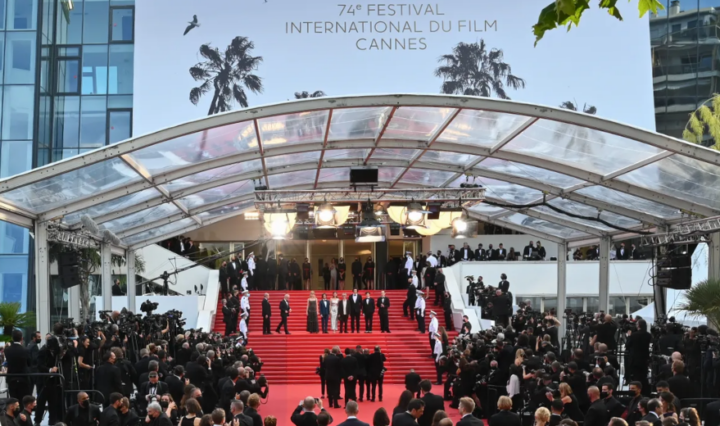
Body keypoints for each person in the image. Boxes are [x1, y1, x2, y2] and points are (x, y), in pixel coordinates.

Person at [5, 330, 31, 400]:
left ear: (12, 338)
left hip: (11, 378)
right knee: (23, 400)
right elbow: (29, 363)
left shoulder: (7, 350)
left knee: (13, 400)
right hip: (23, 378)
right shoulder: (25, 350)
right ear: (21, 338)